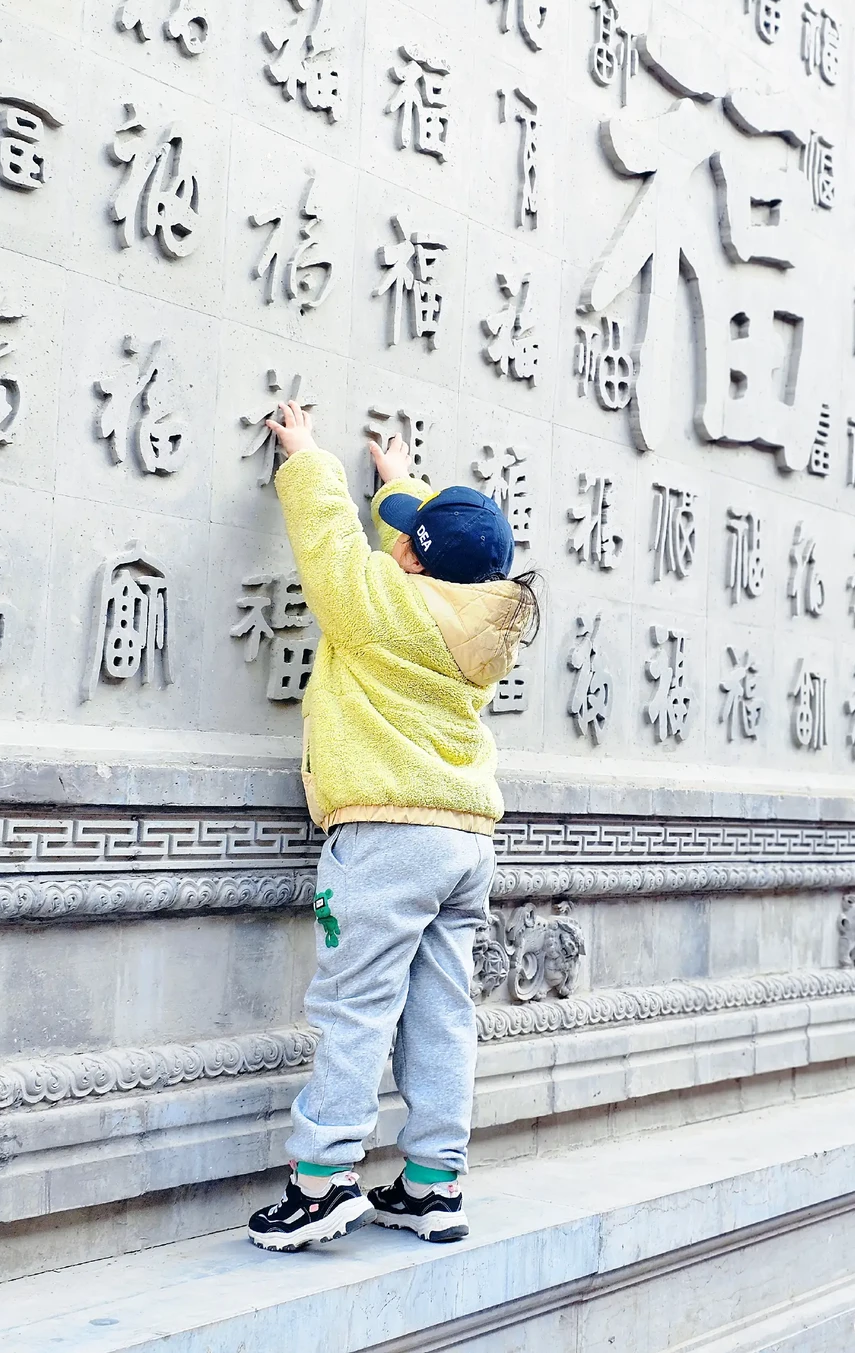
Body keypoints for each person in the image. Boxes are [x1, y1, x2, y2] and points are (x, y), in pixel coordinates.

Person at [247, 401, 538, 1252]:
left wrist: (306, 458)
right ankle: (432, 1183)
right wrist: (402, 485)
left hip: (386, 835)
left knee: (355, 1005)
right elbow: (420, 550)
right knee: (441, 1011)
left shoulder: (377, 603)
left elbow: (332, 544)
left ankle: (322, 1178)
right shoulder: (485, 629)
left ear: (409, 560)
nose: (395, 541)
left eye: (406, 535)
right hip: (465, 839)